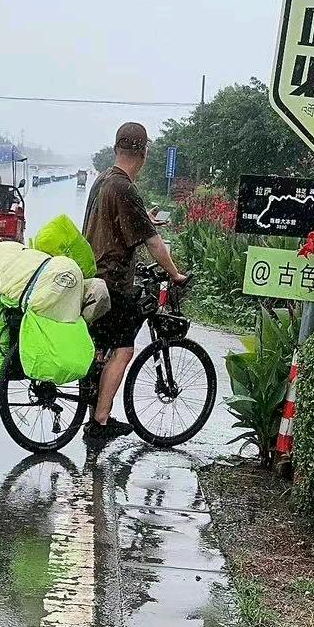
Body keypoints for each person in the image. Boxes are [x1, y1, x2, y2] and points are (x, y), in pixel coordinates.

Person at [82, 122, 187, 439]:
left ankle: (94, 403)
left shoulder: (102, 180)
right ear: (143, 154)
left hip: (93, 277)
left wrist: (146, 219)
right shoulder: (125, 188)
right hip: (112, 282)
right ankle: (100, 420)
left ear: (116, 149)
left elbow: (115, 221)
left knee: (102, 346)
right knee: (125, 349)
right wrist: (175, 274)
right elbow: (155, 244)